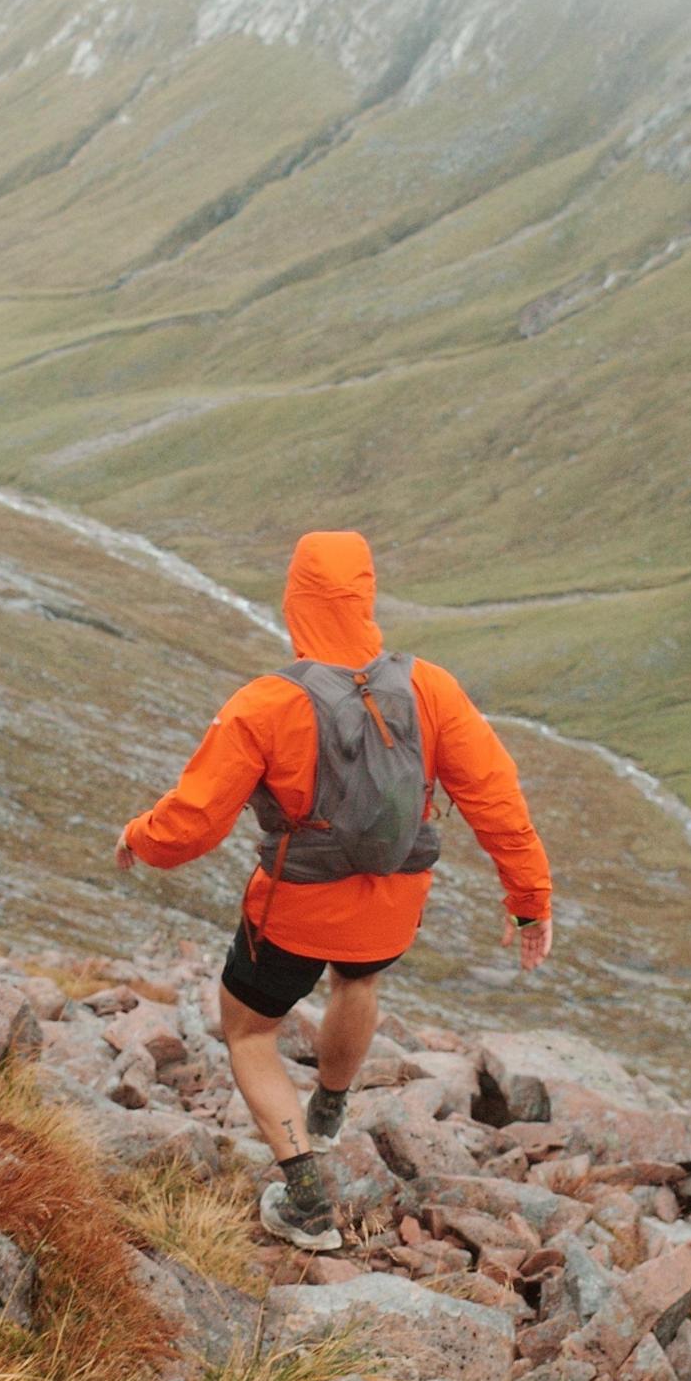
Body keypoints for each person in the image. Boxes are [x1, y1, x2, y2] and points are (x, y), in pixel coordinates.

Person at [116, 529, 555, 1249]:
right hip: (393, 900)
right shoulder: (430, 688)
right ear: (367, 599)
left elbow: (192, 824)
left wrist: (139, 838)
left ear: (296, 603)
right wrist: (529, 898)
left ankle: (306, 1197)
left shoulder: (266, 704)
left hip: (295, 908)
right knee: (357, 986)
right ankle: (330, 1107)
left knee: (250, 1030)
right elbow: (497, 799)